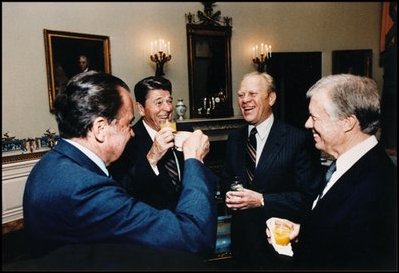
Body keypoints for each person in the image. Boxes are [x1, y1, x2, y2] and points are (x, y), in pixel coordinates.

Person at [23, 71, 218, 262]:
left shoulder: (51, 164)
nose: (131, 133)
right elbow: (194, 237)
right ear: (100, 128)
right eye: (128, 124)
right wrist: (193, 159)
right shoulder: (83, 189)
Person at [266, 74, 397, 270]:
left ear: (347, 122)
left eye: (314, 117)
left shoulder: (378, 186)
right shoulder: (347, 165)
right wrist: (303, 231)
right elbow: (343, 231)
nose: (307, 124)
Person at [222, 71, 322, 268]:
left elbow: (308, 197)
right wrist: (230, 193)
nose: (245, 100)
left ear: (272, 98)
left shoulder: (297, 140)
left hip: (278, 248)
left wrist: (261, 200)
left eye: (252, 94)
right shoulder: (235, 138)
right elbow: (226, 179)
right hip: (241, 246)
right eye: (241, 95)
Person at [108, 76, 187, 210]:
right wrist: (152, 157)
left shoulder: (185, 132)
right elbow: (123, 191)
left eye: (169, 101)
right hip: (152, 222)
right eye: (159, 102)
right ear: (141, 108)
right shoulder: (127, 140)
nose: (168, 108)